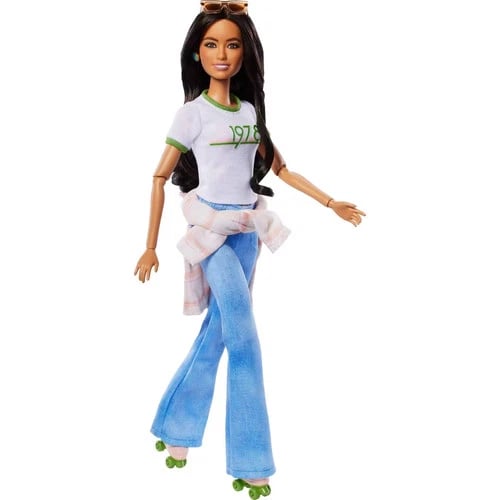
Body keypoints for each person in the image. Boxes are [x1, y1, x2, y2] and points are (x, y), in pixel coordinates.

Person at [134, 1, 365, 496]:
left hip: (247, 233)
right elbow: (158, 176)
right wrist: (149, 246)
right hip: (211, 232)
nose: (222, 54)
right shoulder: (191, 114)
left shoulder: (248, 113)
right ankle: (252, 459)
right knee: (244, 337)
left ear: (245, 54)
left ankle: (176, 427)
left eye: (232, 44)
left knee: (218, 332)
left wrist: (330, 202)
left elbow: (281, 169)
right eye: (211, 44)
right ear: (196, 53)